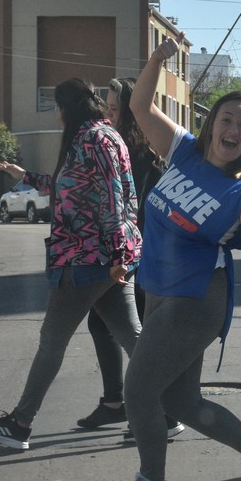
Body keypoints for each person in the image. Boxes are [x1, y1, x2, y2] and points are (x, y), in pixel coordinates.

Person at [124, 34, 241, 481]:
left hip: (196, 299)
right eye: (228, 119)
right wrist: (157, 60)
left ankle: (151, 478)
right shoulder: (183, 151)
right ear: (212, 125)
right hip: (157, 291)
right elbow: (140, 106)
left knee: (139, 393)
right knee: (181, 402)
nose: (235, 130)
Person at [0, 77, 143, 451]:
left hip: (86, 259)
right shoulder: (102, 136)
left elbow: (113, 197)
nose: (56, 114)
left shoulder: (93, 139)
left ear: (67, 108)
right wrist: (26, 177)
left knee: (52, 341)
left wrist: (118, 255)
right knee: (134, 339)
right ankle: (166, 411)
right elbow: (74, 188)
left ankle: (20, 423)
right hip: (103, 258)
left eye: (56, 107)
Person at [76, 76, 184, 441]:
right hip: (119, 252)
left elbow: (134, 209)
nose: (107, 115)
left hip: (138, 255)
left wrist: (123, 250)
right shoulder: (116, 145)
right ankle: (114, 402)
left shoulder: (139, 154)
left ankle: (164, 409)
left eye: (113, 109)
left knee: (136, 334)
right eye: (106, 108)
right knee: (102, 323)